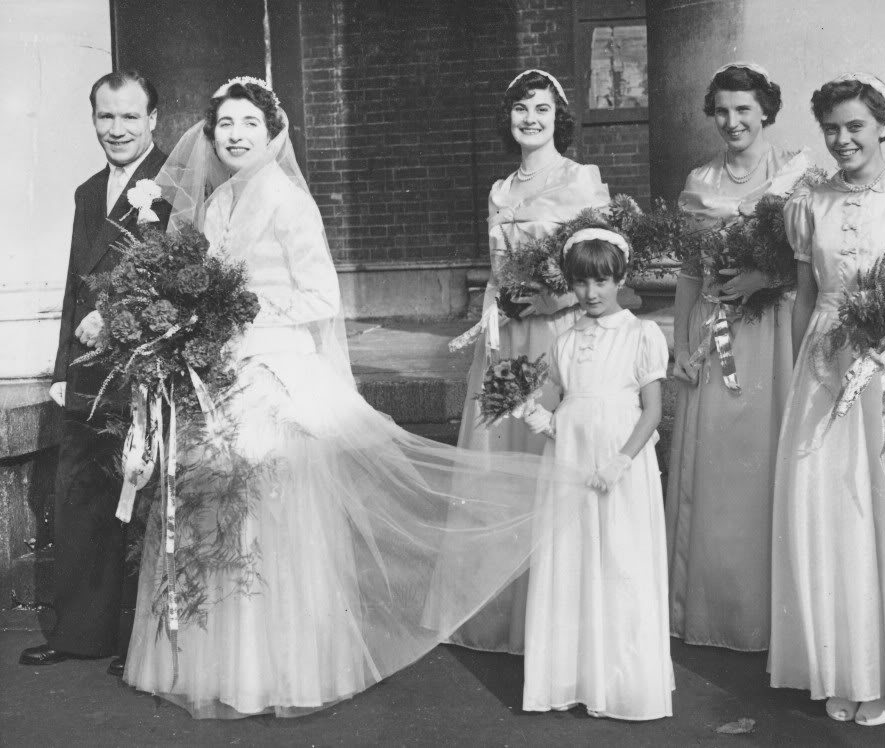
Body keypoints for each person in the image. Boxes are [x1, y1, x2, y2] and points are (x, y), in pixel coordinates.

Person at [123, 77, 594, 719]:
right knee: (217, 515)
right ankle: (219, 665)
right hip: (224, 373)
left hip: (277, 372)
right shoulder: (216, 205)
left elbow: (320, 298)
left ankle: (280, 669)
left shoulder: (289, 203)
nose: (235, 136)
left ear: (272, 133)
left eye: (248, 125)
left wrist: (240, 313)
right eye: (225, 125)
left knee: (270, 520)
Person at [769, 73, 885, 726]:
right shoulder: (808, 203)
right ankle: (835, 667)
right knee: (828, 511)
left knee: (880, 507)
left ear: (884, 125)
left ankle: (884, 673)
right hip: (823, 363)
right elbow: (807, 297)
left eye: (854, 126)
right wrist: (799, 378)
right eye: (831, 129)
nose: (842, 138)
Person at [450, 70, 610, 654]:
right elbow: (497, 271)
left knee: (551, 463)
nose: (531, 119)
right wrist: (496, 306)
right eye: (520, 109)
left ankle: (558, 617)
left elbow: (602, 273)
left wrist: (547, 297)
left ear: (558, 117)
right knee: (500, 467)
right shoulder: (499, 190)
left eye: (541, 109)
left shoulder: (581, 180)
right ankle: (501, 614)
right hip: (506, 341)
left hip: (556, 336)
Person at [20, 70, 169, 678]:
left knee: (140, 503)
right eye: (106, 117)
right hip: (86, 373)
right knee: (81, 497)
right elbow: (74, 288)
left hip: (143, 366)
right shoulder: (89, 190)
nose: (117, 129)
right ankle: (80, 634)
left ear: (153, 120)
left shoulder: (173, 186)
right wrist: (61, 369)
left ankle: (137, 641)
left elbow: (175, 274)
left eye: (129, 117)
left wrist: (115, 313)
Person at [664, 62, 810, 651]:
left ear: (765, 111)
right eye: (722, 110)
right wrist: (679, 343)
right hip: (713, 326)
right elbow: (690, 272)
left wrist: (763, 277)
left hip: (771, 325)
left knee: (765, 460)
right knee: (714, 466)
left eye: (744, 109)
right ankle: (710, 609)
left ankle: (770, 615)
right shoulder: (699, 181)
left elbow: (811, 258)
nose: (732, 121)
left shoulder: (794, 173)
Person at [520, 227, 673, 720]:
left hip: (620, 465)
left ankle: (624, 682)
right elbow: (564, 413)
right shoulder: (563, 341)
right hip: (571, 462)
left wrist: (622, 460)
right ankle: (576, 676)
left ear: (621, 279)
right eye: (581, 283)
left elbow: (652, 411)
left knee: (620, 559)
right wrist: (537, 417)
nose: (591, 293)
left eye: (602, 282)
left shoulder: (641, 334)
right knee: (574, 557)